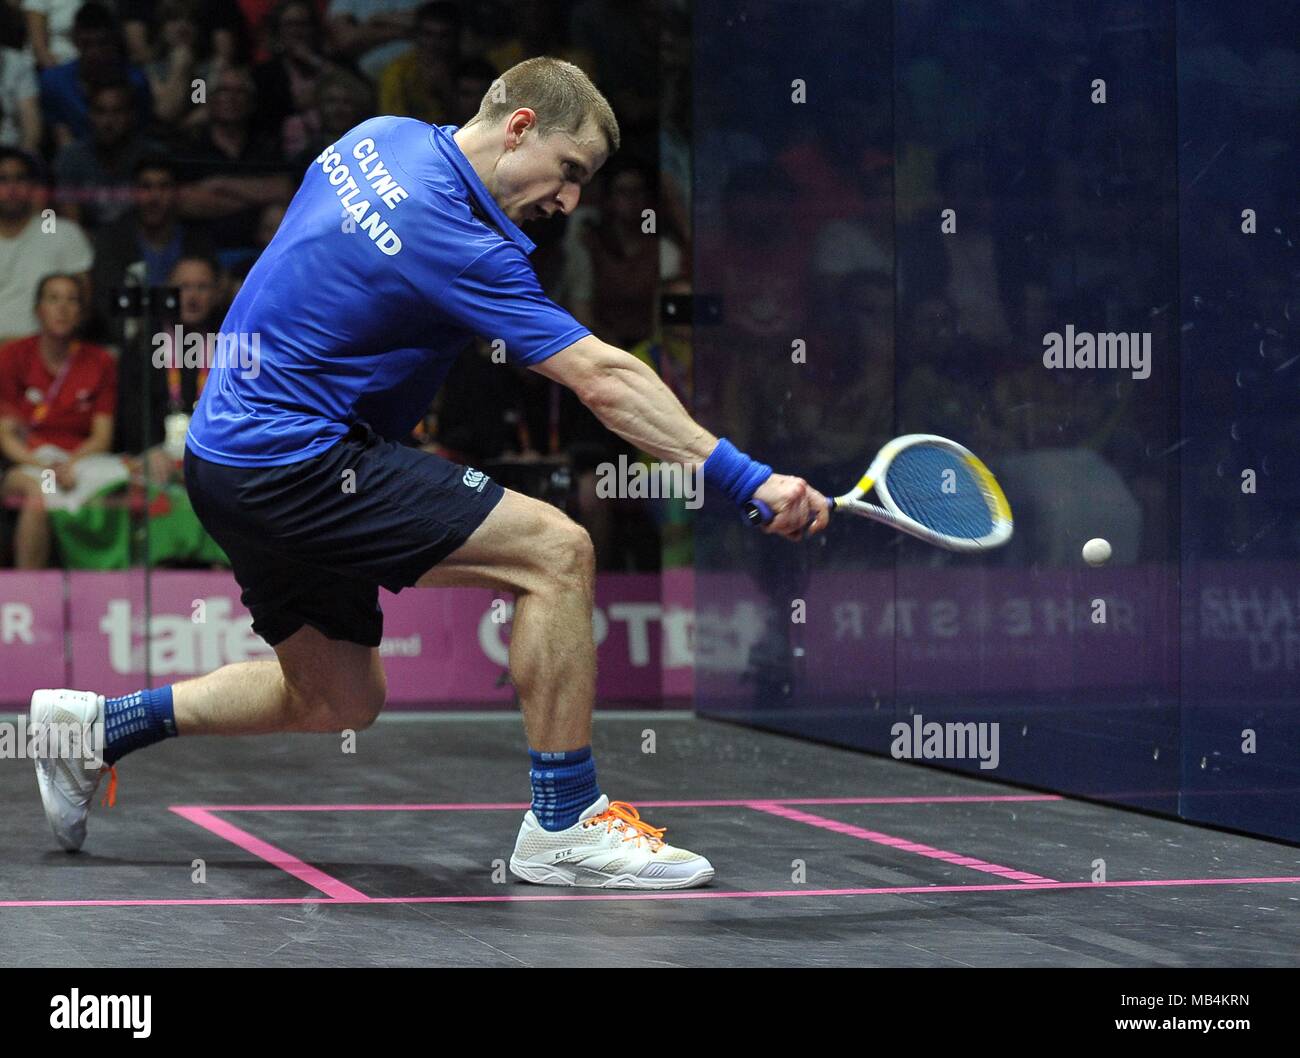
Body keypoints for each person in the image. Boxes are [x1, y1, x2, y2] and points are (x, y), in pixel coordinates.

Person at [30, 57, 829, 890]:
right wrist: (747, 478)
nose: (569, 201)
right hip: (299, 458)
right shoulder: (458, 237)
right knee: (556, 553)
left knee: (338, 698)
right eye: (570, 172)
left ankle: (95, 726)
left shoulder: (383, 136)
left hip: (227, 454)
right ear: (520, 125)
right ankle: (565, 822)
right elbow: (607, 379)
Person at [0, 274, 123, 569]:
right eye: (53, 299)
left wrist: (68, 465)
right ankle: (30, 597)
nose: (62, 308)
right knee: (36, 492)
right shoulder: (12, 356)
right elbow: (5, 435)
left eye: (72, 300)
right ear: (37, 309)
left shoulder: (100, 361)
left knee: (122, 486)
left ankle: (104, 587)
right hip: (25, 463)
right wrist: (46, 469)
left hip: (80, 462)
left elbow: (101, 437)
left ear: (82, 312)